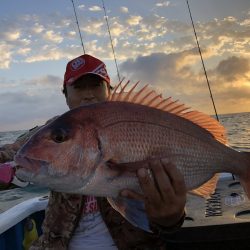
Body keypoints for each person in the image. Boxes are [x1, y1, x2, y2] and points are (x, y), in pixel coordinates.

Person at [0, 54, 186, 250]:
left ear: (109, 91)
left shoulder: (138, 122)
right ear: (66, 95)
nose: (88, 94)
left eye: (96, 85)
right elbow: (14, 153)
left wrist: (171, 217)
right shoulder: (53, 130)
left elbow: (169, 218)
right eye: (79, 87)